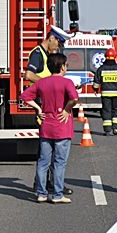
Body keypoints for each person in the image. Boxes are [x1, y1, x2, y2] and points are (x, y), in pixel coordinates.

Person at [21, 53, 79, 203]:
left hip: (46, 127)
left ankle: (41, 193)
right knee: (59, 162)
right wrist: (66, 110)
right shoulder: (67, 83)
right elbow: (74, 99)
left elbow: (25, 96)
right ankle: (57, 194)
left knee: (43, 161)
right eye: (66, 65)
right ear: (61, 67)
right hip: (62, 127)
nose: (67, 68)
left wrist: (39, 109)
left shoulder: (42, 83)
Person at [25, 25, 74, 195]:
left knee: (50, 150)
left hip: (47, 104)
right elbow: (29, 75)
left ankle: (48, 184)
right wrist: (46, 85)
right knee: (48, 151)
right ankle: (45, 185)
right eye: (58, 43)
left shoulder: (46, 55)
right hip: (44, 107)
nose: (58, 47)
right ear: (51, 38)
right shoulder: (38, 54)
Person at [93, 48, 117, 135]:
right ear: (115, 57)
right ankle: (115, 128)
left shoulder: (101, 69)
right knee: (116, 110)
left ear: (105, 57)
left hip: (105, 94)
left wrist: (95, 89)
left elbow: (96, 84)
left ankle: (107, 129)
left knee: (106, 110)